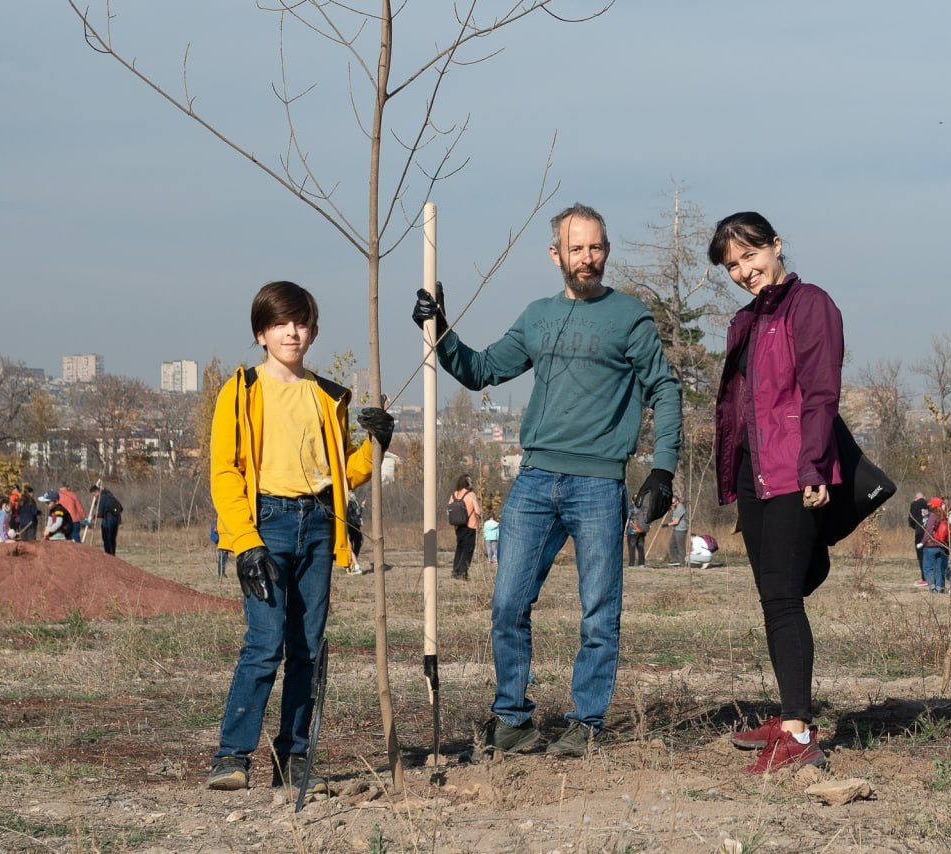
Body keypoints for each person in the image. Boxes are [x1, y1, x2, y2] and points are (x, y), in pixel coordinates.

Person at [412, 202, 681, 759]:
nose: (588, 258)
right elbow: (482, 369)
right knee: (508, 602)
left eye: (596, 247)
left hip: (598, 484)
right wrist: (440, 329)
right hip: (535, 480)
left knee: (599, 609)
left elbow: (666, 390)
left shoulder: (629, 317)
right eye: (576, 248)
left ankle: (586, 723)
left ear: (607, 250)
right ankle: (513, 720)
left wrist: (663, 468)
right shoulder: (537, 316)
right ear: (555, 254)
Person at [206, 280, 392, 793]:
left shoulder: (329, 395)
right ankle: (231, 757)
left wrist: (377, 443)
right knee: (264, 645)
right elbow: (224, 471)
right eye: (281, 323)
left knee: (307, 649)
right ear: (261, 333)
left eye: (302, 322)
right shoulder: (240, 390)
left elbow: (340, 472)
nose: (293, 331)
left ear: (313, 331)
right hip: (264, 522)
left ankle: (292, 760)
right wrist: (244, 542)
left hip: (318, 525)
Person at [709, 211, 839, 774]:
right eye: (733, 265)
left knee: (784, 597)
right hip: (754, 474)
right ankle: (791, 711)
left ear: (776, 245)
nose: (744, 270)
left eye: (750, 255)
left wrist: (813, 468)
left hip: (794, 471)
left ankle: (798, 732)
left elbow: (820, 392)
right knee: (773, 597)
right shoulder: (744, 320)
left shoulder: (810, 304)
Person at [447, 474, 482, 580]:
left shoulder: (454, 494)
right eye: (471, 482)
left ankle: (455, 570)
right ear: (467, 483)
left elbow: (448, 511)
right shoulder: (471, 495)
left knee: (460, 548)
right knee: (468, 549)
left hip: (458, 527)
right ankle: (463, 572)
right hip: (470, 525)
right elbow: (478, 511)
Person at [921, 497, 951, 593]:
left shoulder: (933, 515)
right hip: (942, 545)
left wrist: (923, 542)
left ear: (934, 505)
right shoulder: (944, 516)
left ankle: (932, 587)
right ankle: (940, 587)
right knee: (940, 567)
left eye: (931, 504)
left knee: (928, 567)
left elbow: (929, 530)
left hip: (931, 545)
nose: (929, 506)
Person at [89, 485, 123, 555]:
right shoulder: (108, 494)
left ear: (96, 492)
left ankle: (109, 554)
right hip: (115, 519)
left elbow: (100, 513)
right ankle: (112, 553)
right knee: (112, 538)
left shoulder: (102, 498)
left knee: (107, 537)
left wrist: (93, 517)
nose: (94, 496)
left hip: (108, 519)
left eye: (94, 495)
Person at [908, 492, 929, 587]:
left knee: (921, 556)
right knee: (930, 555)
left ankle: (925, 579)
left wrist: (916, 527)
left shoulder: (914, 505)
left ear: (915, 498)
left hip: (920, 534)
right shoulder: (930, 504)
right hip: (930, 534)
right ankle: (931, 577)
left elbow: (911, 520)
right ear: (924, 497)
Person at [664, 495, 688, 566]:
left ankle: (682, 562)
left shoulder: (680, 508)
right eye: (671, 503)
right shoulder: (676, 507)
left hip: (681, 530)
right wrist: (672, 509)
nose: (672, 504)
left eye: (673, 503)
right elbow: (674, 516)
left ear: (677, 501)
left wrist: (667, 525)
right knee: (672, 544)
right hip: (676, 529)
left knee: (680, 546)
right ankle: (674, 560)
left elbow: (676, 521)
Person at [344, 492, 365, 574]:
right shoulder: (350, 498)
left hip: (351, 524)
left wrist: (362, 506)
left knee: (354, 544)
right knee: (355, 544)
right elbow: (357, 512)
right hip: (352, 525)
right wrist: (361, 506)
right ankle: (354, 565)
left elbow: (357, 512)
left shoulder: (349, 498)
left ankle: (352, 564)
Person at [625, 500, 649, 568]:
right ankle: (641, 563)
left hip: (632, 530)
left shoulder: (631, 508)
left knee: (632, 547)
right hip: (642, 531)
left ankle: (631, 564)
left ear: (633, 501)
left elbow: (627, 519)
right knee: (641, 546)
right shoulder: (644, 508)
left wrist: (625, 530)